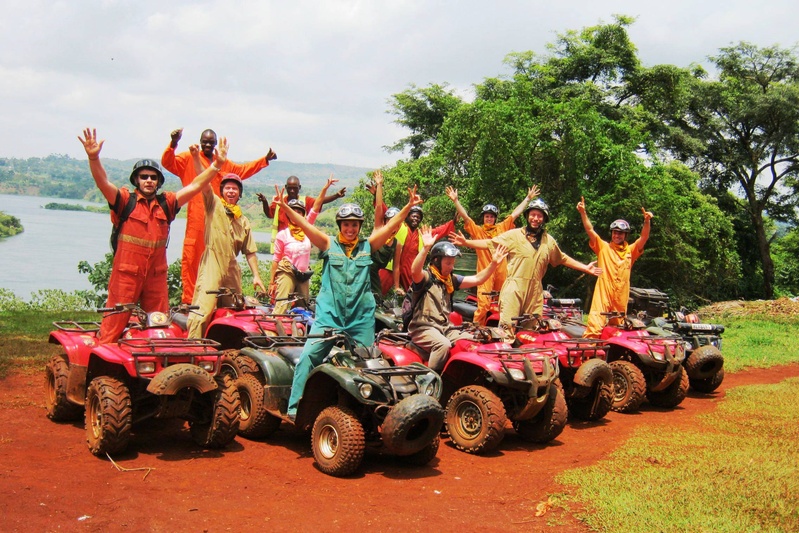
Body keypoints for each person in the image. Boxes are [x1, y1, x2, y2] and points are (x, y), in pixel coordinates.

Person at [277, 184, 423, 419]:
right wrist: (286, 208)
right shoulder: (327, 244)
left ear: (359, 226)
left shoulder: (368, 246)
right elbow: (306, 225)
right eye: (346, 224)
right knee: (308, 357)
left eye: (355, 224)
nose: (350, 228)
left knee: (366, 363)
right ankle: (295, 408)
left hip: (360, 319)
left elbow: (391, 226)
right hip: (329, 316)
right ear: (340, 226)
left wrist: (408, 206)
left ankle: (366, 412)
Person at [78, 128, 230, 344]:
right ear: (136, 180)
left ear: (158, 182)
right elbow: (103, 182)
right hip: (126, 275)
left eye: (153, 177)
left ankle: (159, 373)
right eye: (144, 177)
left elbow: (196, 185)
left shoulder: (166, 203)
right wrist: (94, 157)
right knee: (113, 326)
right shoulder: (124, 201)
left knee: (159, 327)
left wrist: (216, 165)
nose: (148, 180)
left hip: (156, 277)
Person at [450, 198, 602, 335]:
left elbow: (562, 258)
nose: (535, 218)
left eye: (539, 215)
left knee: (531, 333)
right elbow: (490, 243)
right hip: (513, 289)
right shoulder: (514, 235)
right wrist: (466, 243)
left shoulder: (548, 241)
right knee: (506, 331)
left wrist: (585, 268)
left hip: (535, 292)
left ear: (544, 218)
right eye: (533, 214)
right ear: (528, 216)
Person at [161, 128, 277, 304]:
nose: (208, 145)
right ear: (200, 142)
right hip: (197, 221)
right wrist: (173, 143)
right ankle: (189, 303)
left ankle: (218, 302)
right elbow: (168, 162)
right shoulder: (188, 158)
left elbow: (243, 170)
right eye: (205, 141)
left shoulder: (223, 162)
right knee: (192, 259)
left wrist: (264, 160)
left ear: (215, 144)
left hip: (220, 223)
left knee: (221, 262)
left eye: (211, 142)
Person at [185, 150, 268, 338]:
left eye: (235, 189)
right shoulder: (213, 204)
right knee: (203, 308)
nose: (231, 191)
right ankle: (192, 348)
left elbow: (250, 252)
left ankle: (226, 348)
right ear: (222, 191)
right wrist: (197, 159)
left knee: (235, 309)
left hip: (232, 267)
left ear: (239, 194)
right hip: (212, 261)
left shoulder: (243, 220)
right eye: (228, 188)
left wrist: (256, 276)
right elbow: (203, 181)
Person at [407, 227, 508, 371]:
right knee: (443, 345)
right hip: (423, 328)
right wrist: (425, 248)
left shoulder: (451, 280)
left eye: (453, 263)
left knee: (475, 339)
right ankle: (430, 381)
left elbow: (478, 278)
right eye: (448, 263)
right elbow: (414, 271)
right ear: (436, 261)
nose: (451, 267)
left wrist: (494, 264)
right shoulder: (426, 277)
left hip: (445, 328)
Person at [445, 185, 540, 325]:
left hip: (502, 275)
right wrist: (456, 201)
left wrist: (528, 198)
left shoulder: (502, 228)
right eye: (486, 216)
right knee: (483, 306)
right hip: (485, 275)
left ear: (495, 218)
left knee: (504, 306)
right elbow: (465, 217)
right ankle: (477, 331)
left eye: (491, 216)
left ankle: (501, 332)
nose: (489, 219)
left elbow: (515, 214)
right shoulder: (478, 231)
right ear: (483, 218)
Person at [577, 196, 653, 338]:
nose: (617, 235)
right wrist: (583, 213)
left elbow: (643, 238)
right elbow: (590, 230)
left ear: (625, 235)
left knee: (617, 329)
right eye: (615, 232)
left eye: (620, 233)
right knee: (594, 326)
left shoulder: (631, 251)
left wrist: (647, 221)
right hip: (604, 292)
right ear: (611, 233)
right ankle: (588, 356)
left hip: (621, 295)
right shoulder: (603, 247)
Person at [269, 177, 338, 314]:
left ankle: (298, 333)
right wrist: (272, 282)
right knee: (281, 305)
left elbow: (316, 206)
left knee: (303, 309)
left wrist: (325, 188)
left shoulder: (307, 229)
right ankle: (275, 330)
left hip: (303, 273)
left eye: (299, 212)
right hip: (287, 270)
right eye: (293, 213)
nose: (296, 216)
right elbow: (276, 260)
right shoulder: (283, 235)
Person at [258, 175, 346, 251]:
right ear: (286, 187)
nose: (292, 191)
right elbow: (269, 214)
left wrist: (336, 195)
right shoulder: (280, 201)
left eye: (295, 188)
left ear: (299, 188)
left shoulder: (304, 201)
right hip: (282, 245)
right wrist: (265, 202)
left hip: (299, 244)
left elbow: (319, 202)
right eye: (290, 188)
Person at [395, 204, 458, 292]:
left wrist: (453, 222)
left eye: (418, 217)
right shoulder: (399, 227)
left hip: (410, 269)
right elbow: (389, 220)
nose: (416, 219)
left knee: (414, 293)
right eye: (413, 216)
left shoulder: (422, 234)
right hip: (393, 267)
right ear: (407, 217)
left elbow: (439, 231)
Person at [367, 170, 403, 300]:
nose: (393, 226)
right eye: (390, 222)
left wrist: (397, 286)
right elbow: (378, 207)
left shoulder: (397, 243)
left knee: (377, 298)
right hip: (362, 268)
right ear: (386, 221)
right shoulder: (379, 229)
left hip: (373, 273)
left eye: (396, 223)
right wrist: (379, 185)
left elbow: (396, 266)